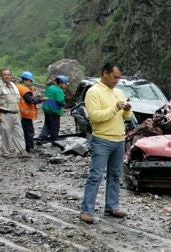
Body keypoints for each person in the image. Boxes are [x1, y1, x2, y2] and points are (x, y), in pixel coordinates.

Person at [79, 63, 132, 224]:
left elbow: (127, 118)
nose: (117, 80)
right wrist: (115, 108)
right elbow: (95, 117)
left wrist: (127, 109)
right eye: (115, 77)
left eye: (119, 78)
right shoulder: (93, 91)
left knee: (115, 175)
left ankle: (111, 207)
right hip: (102, 139)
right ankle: (87, 210)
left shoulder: (119, 92)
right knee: (96, 175)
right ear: (105, 73)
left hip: (119, 139)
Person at [0, 68, 28, 158]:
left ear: (11, 76)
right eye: (5, 74)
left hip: (15, 113)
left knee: (19, 133)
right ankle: (6, 152)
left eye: (8, 74)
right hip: (4, 113)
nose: (7, 76)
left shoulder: (13, 86)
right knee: (5, 133)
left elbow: (16, 101)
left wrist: (19, 113)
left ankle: (21, 151)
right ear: (1, 76)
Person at [17, 71, 42, 153]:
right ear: (25, 80)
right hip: (25, 114)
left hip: (20, 113)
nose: (31, 82)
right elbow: (31, 100)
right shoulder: (24, 89)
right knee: (29, 132)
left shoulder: (18, 86)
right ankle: (29, 148)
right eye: (31, 81)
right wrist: (41, 99)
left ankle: (23, 146)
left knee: (23, 131)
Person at [42, 75, 69, 144]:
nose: (66, 85)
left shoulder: (50, 88)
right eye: (65, 83)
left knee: (47, 124)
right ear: (61, 83)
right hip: (54, 111)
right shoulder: (59, 90)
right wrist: (64, 104)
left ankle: (43, 137)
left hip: (46, 109)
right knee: (55, 126)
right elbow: (60, 101)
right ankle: (54, 140)